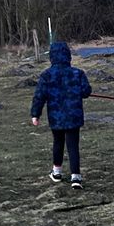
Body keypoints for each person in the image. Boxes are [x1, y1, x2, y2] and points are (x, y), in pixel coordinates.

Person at [30, 41, 92, 188]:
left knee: (58, 142)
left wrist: (35, 114)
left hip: (56, 117)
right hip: (74, 116)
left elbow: (39, 96)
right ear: (68, 56)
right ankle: (76, 177)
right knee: (73, 146)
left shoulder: (46, 75)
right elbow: (86, 92)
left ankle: (56, 172)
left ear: (51, 57)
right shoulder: (78, 73)